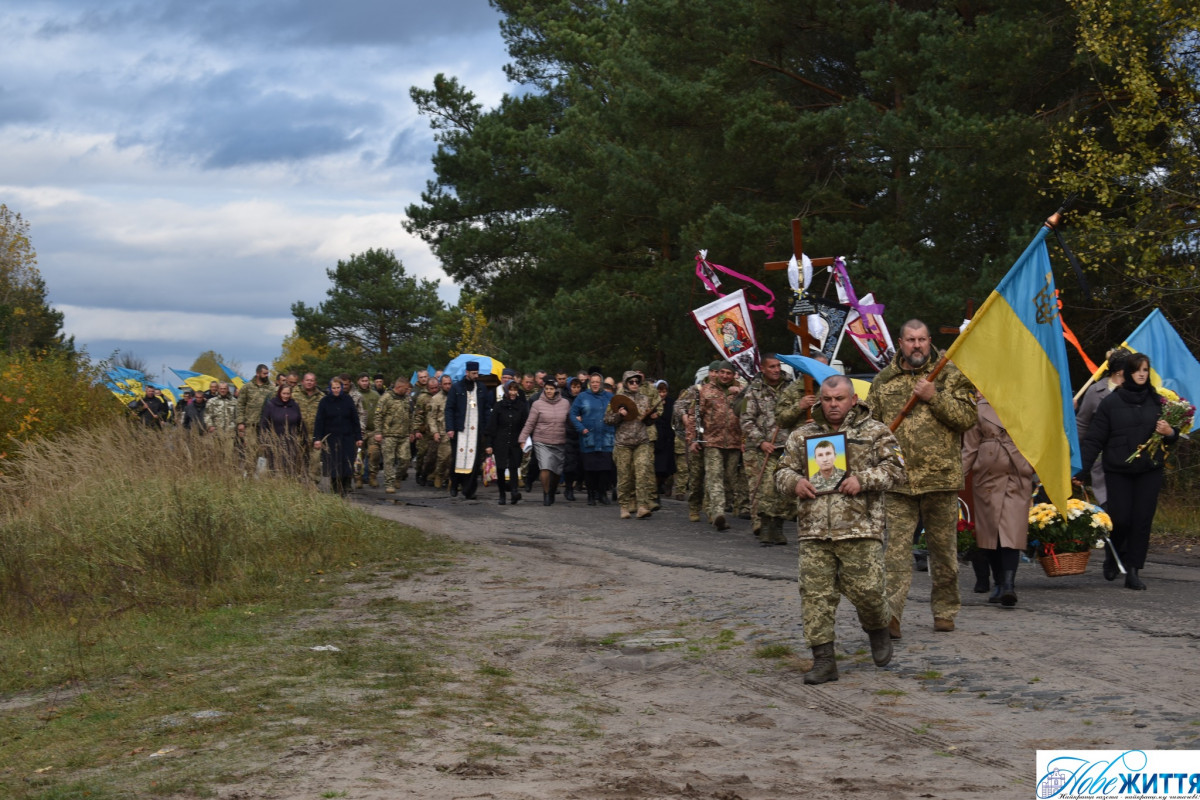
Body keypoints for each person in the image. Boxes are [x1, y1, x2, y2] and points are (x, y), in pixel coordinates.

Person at [776, 375, 905, 684]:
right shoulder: (802, 436)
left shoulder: (876, 432)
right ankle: (823, 660)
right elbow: (781, 472)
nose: (833, 405)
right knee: (815, 596)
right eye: (828, 399)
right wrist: (795, 482)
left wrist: (864, 480)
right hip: (814, 530)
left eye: (839, 399)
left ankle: (877, 627)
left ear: (853, 399)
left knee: (871, 593)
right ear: (820, 400)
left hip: (859, 528)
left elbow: (897, 471)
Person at [866, 319, 977, 637]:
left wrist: (934, 396)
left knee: (943, 551)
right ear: (900, 342)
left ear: (930, 341)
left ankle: (944, 610)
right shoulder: (883, 381)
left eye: (922, 340)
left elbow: (967, 418)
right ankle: (891, 616)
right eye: (910, 340)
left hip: (940, 479)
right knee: (895, 552)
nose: (916, 345)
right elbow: (869, 425)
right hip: (899, 481)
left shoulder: (950, 374)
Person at [1076, 353, 1179, 591]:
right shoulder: (1111, 402)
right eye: (1137, 370)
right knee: (1121, 518)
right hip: (1118, 469)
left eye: (1145, 370)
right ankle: (1113, 556)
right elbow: (1094, 439)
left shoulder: (1158, 402)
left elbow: (1172, 436)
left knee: (1142, 520)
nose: (1142, 374)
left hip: (1149, 469)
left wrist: (1170, 432)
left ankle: (1133, 570)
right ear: (1128, 373)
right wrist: (1081, 470)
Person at [962, 394, 1034, 606]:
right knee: (990, 533)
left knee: (1012, 529)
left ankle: (1009, 585)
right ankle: (999, 582)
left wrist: (1035, 468)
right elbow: (970, 446)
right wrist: (956, 477)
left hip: (1017, 472)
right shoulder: (977, 407)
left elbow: (1039, 438)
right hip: (987, 474)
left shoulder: (1027, 403)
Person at [741, 354, 794, 545]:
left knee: (784, 490)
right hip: (765, 447)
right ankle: (764, 527)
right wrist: (761, 441)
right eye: (772, 367)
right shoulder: (754, 391)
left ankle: (778, 528)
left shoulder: (790, 387)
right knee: (766, 489)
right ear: (763, 369)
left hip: (787, 446)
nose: (776, 370)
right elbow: (746, 421)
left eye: (778, 366)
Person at [687, 361, 744, 531]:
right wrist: (693, 439)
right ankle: (718, 513)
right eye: (722, 372)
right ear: (717, 373)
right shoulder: (706, 390)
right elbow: (694, 416)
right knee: (714, 476)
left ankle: (714, 508)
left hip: (734, 442)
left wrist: (741, 394)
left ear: (734, 375)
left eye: (729, 373)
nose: (725, 376)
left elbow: (748, 415)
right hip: (712, 441)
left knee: (728, 479)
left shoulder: (741, 391)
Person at [1075, 348, 1131, 507]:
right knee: (1109, 504)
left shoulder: (1135, 392)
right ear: (1120, 371)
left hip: (1128, 458)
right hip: (1101, 460)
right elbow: (1082, 424)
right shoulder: (1095, 391)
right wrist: (1076, 455)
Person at [603, 371, 659, 519]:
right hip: (623, 443)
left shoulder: (645, 399)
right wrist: (619, 415)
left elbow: (646, 421)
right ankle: (624, 506)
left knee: (642, 473)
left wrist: (652, 418)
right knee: (624, 476)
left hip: (641, 441)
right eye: (631, 382)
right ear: (626, 383)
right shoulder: (617, 400)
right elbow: (607, 420)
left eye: (637, 382)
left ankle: (642, 506)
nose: (635, 384)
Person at [444, 361, 495, 499]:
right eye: (473, 373)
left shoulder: (481, 388)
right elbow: (449, 409)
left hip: (476, 431)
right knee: (458, 459)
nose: (476, 375)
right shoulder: (456, 388)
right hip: (460, 430)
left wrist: (486, 429)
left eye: (477, 373)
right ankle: (454, 485)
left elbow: (486, 409)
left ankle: (469, 490)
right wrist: (450, 428)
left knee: (474, 461)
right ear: (467, 373)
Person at [519, 378, 572, 505]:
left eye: (551, 389)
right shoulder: (537, 404)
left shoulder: (565, 403)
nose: (549, 391)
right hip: (542, 441)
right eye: (547, 388)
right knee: (545, 468)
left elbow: (570, 421)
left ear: (556, 390)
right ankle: (546, 493)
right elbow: (530, 423)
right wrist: (522, 439)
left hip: (560, 441)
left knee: (557, 472)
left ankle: (553, 490)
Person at [313, 376, 363, 496]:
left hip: (347, 437)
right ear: (330, 388)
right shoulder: (324, 402)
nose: (336, 390)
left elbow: (355, 419)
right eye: (333, 388)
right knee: (334, 465)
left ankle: (345, 487)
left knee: (347, 463)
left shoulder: (348, 400)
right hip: (331, 438)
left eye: (338, 387)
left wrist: (358, 437)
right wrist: (317, 438)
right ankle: (335, 488)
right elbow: (319, 421)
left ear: (342, 388)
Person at [570, 372, 616, 506]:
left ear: (601, 383)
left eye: (598, 382)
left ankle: (602, 494)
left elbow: (617, 413)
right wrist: (581, 427)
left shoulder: (610, 397)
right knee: (590, 469)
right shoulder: (582, 397)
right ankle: (590, 495)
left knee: (604, 468)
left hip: (606, 438)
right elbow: (573, 414)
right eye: (593, 382)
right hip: (588, 437)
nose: (595, 384)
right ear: (590, 383)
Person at [485, 381, 528, 505]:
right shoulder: (499, 406)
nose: (513, 392)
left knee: (514, 467)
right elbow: (492, 426)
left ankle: (514, 492)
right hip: (500, 441)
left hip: (515, 441)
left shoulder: (521, 406)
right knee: (501, 468)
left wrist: (524, 441)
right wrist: (489, 444)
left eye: (515, 390)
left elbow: (525, 425)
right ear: (506, 391)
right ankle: (502, 494)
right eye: (511, 390)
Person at [375, 377, 415, 493]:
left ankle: (398, 477)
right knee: (389, 460)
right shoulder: (386, 398)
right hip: (389, 434)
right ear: (398, 387)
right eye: (406, 389)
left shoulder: (407, 399)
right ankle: (389, 483)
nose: (407, 391)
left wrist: (411, 431)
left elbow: (411, 415)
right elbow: (378, 416)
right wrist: (378, 432)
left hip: (403, 435)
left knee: (405, 459)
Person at [258, 384, 307, 476]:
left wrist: (304, 438)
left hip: (291, 442)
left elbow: (300, 423)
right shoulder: (271, 405)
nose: (286, 396)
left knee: (289, 468)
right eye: (284, 393)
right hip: (274, 442)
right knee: (274, 468)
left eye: (288, 394)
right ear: (279, 393)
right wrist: (263, 440)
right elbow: (264, 424)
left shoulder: (294, 405)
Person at [236, 364, 275, 461]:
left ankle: (263, 475)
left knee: (264, 450)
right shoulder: (247, 387)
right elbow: (240, 404)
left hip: (266, 425)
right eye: (264, 373)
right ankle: (249, 474)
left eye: (267, 373)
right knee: (251, 450)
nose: (266, 375)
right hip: (251, 424)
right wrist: (240, 422)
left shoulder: (271, 388)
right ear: (258, 374)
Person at [292, 373, 325, 484]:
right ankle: (297, 483)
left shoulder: (321, 397)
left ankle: (313, 484)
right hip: (298, 434)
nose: (309, 382)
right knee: (298, 460)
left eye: (312, 380)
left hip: (315, 434)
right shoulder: (294, 395)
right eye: (307, 380)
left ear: (315, 382)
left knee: (315, 461)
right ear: (303, 381)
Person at [423, 374, 454, 489]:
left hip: (455, 431)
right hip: (442, 431)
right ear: (441, 385)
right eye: (445, 384)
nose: (448, 386)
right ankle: (439, 475)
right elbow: (431, 417)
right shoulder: (436, 399)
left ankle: (452, 479)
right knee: (443, 457)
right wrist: (435, 432)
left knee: (454, 457)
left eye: (449, 383)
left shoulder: (455, 396)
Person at [653, 380, 677, 500]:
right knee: (657, 468)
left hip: (668, 438)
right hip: (657, 438)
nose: (662, 394)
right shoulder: (652, 402)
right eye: (659, 391)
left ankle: (664, 484)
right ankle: (654, 491)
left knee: (667, 469)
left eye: (664, 391)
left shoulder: (672, 403)